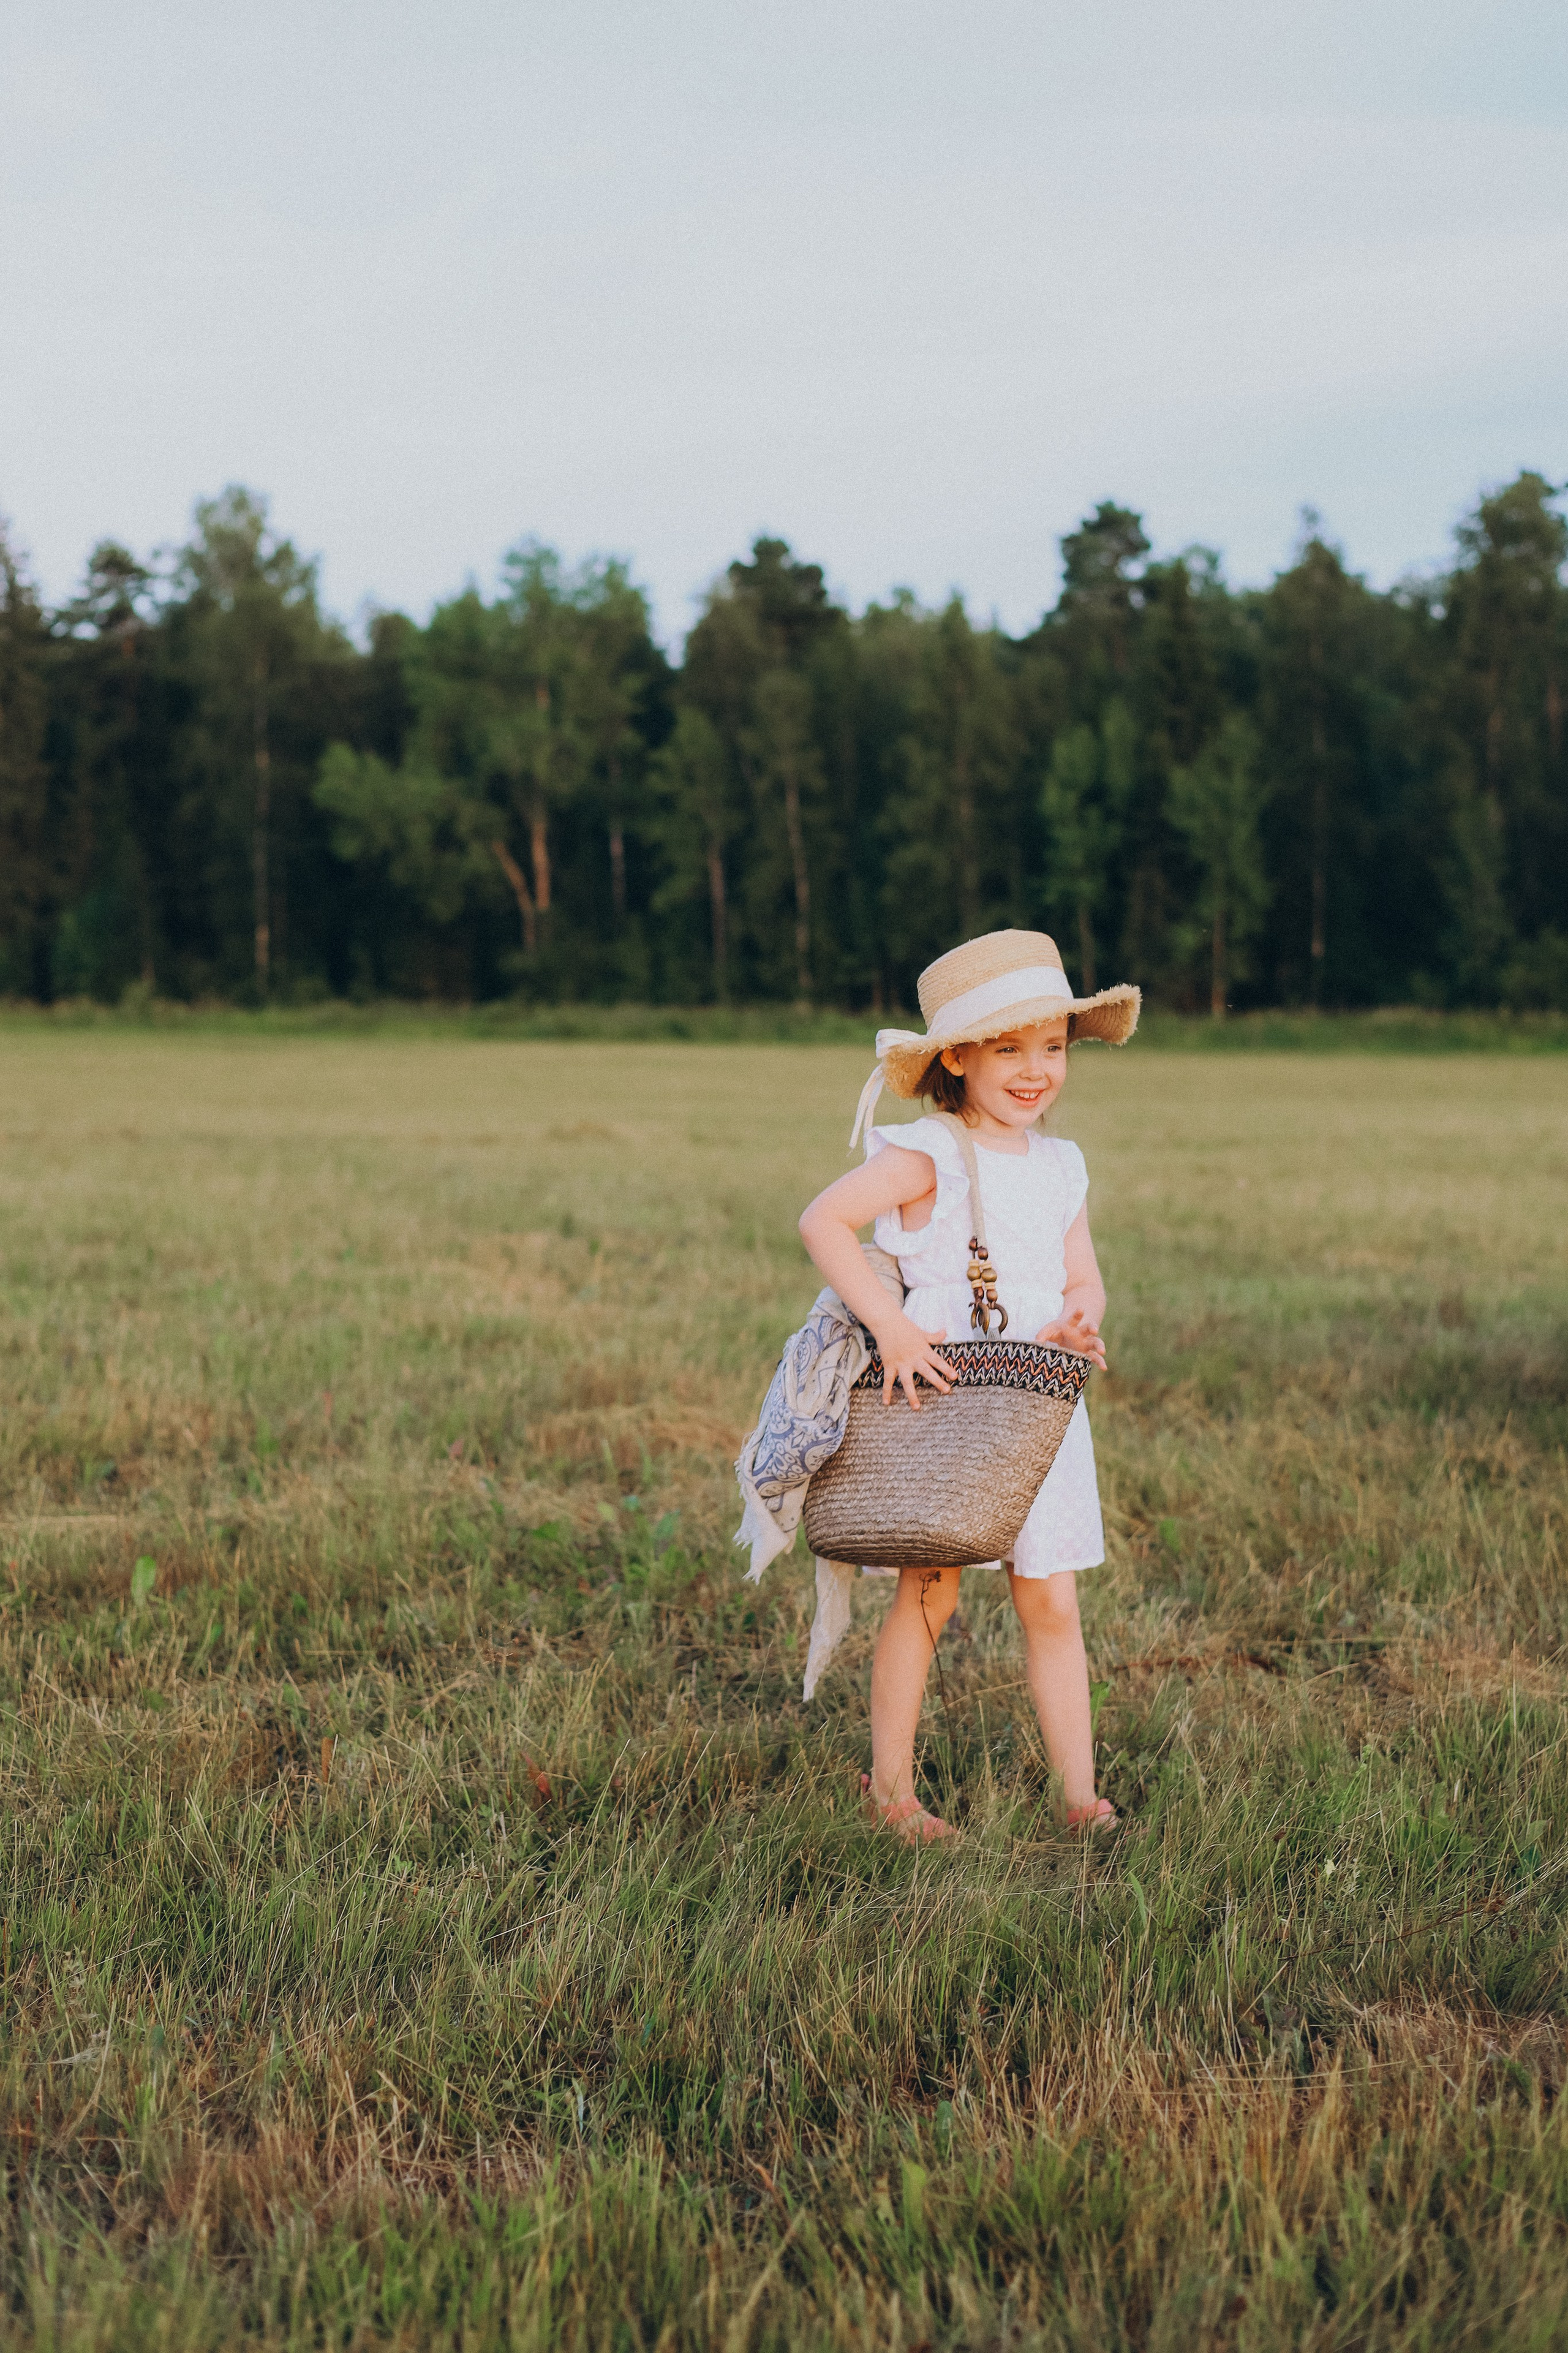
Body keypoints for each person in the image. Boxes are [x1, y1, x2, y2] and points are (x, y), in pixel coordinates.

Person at [797, 929, 1139, 1841]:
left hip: (1037, 1409)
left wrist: (1078, 1319)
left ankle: (1079, 1796)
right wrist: (892, 1324)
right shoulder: (931, 1152)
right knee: (930, 1591)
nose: (1037, 1072)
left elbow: (1085, 1278)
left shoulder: (1061, 1167)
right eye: (1010, 1048)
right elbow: (824, 1219)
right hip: (947, 1403)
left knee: (1051, 1599)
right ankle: (893, 1794)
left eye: (1054, 1048)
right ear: (957, 1055)